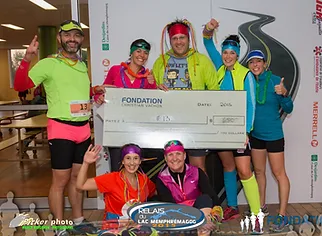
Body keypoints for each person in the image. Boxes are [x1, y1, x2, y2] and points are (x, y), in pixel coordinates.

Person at [13, 20, 107, 235]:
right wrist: (27, 59)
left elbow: (75, 91)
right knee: (60, 181)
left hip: (83, 129)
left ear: (81, 39)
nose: (72, 39)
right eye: (67, 35)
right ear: (59, 38)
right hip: (61, 128)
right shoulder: (49, 63)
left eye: (76, 35)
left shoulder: (82, 64)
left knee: (77, 179)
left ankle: (79, 219)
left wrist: (93, 92)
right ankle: (59, 227)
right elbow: (21, 86)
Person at [202, 19, 260, 222]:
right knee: (228, 167)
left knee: (244, 171)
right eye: (225, 52)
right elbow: (207, 43)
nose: (227, 56)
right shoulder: (219, 67)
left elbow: (251, 104)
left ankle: (256, 214)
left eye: (232, 53)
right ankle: (232, 207)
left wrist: (245, 131)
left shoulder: (246, 75)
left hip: (239, 130)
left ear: (237, 55)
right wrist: (208, 30)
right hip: (220, 129)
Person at [152, 19, 219, 172]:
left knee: (198, 167)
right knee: (171, 166)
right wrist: (156, 88)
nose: (179, 42)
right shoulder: (160, 62)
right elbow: (151, 91)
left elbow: (215, 92)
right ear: (170, 41)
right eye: (174, 38)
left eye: (182, 37)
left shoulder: (202, 61)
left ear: (188, 39)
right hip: (168, 123)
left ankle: (203, 197)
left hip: (196, 123)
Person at [246, 50, 293, 232]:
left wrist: (284, 94)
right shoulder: (248, 81)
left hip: (274, 135)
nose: (255, 65)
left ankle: (282, 216)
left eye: (258, 61)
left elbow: (289, 108)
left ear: (265, 63)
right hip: (255, 135)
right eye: (252, 62)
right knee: (258, 172)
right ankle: (261, 207)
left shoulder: (275, 81)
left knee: (279, 173)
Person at [94, 38, 157, 172]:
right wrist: (100, 97)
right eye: (138, 51)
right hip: (116, 130)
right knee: (117, 170)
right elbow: (101, 91)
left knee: (138, 171)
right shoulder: (116, 70)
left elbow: (154, 103)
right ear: (131, 53)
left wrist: (152, 84)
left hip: (138, 130)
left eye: (145, 52)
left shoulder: (148, 76)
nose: (142, 55)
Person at [76, 144, 157, 234]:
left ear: (140, 161)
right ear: (122, 161)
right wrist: (86, 163)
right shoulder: (112, 179)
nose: (132, 163)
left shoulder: (144, 180)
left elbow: (155, 192)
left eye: (135, 158)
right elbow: (81, 185)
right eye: (128, 158)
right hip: (113, 229)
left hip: (136, 228)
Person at [155, 140, 223, 236]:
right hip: (178, 218)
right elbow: (170, 207)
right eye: (170, 155)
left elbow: (212, 196)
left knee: (205, 199)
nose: (174, 158)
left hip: (200, 213)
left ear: (184, 156)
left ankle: (203, 228)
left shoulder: (196, 172)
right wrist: (196, 221)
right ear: (165, 158)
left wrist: (216, 214)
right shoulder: (162, 179)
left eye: (178, 154)